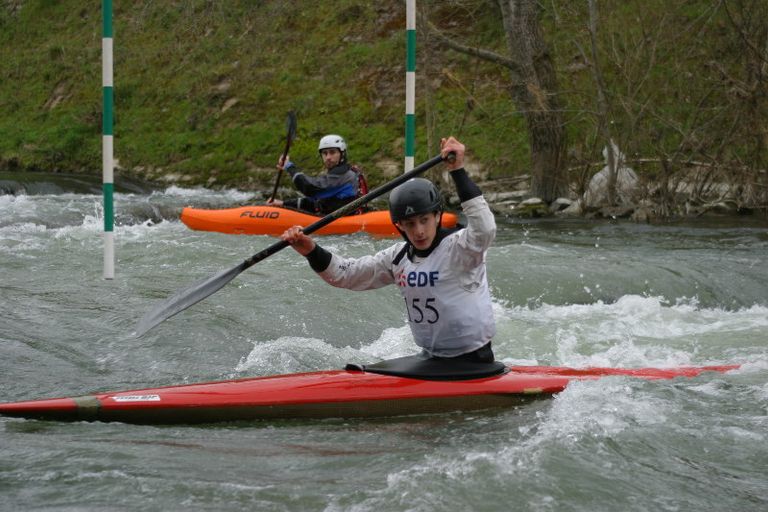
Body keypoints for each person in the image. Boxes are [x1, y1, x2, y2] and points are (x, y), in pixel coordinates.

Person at [280, 137, 497, 362]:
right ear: (399, 226)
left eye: (424, 220)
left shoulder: (461, 248)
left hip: (475, 360)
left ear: (437, 216)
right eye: (410, 224)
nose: (419, 231)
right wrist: (309, 249)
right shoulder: (398, 257)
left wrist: (457, 170)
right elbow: (345, 274)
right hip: (430, 357)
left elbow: (485, 228)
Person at [268, 134, 364, 215]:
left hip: (346, 225)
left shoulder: (343, 175)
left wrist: (289, 167)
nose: (328, 157)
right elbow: (315, 203)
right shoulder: (342, 173)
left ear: (342, 154)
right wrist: (283, 203)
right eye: (325, 153)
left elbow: (309, 187)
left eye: (332, 152)